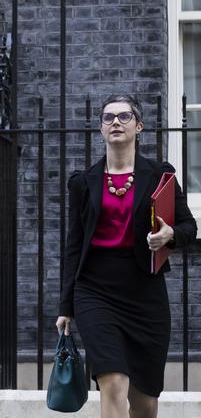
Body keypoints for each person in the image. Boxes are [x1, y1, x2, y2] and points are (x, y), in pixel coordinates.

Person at [56, 94, 197, 418]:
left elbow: (188, 226)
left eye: (123, 116)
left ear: (139, 126)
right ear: (101, 129)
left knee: (145, 401)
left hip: (145, 291)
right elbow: (73, 246)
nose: (115, 122)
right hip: (95, 290)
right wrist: (66, 306)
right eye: (108, 117)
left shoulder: (159, 176)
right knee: (113, 382)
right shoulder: (83, 183)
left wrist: (170, 235)